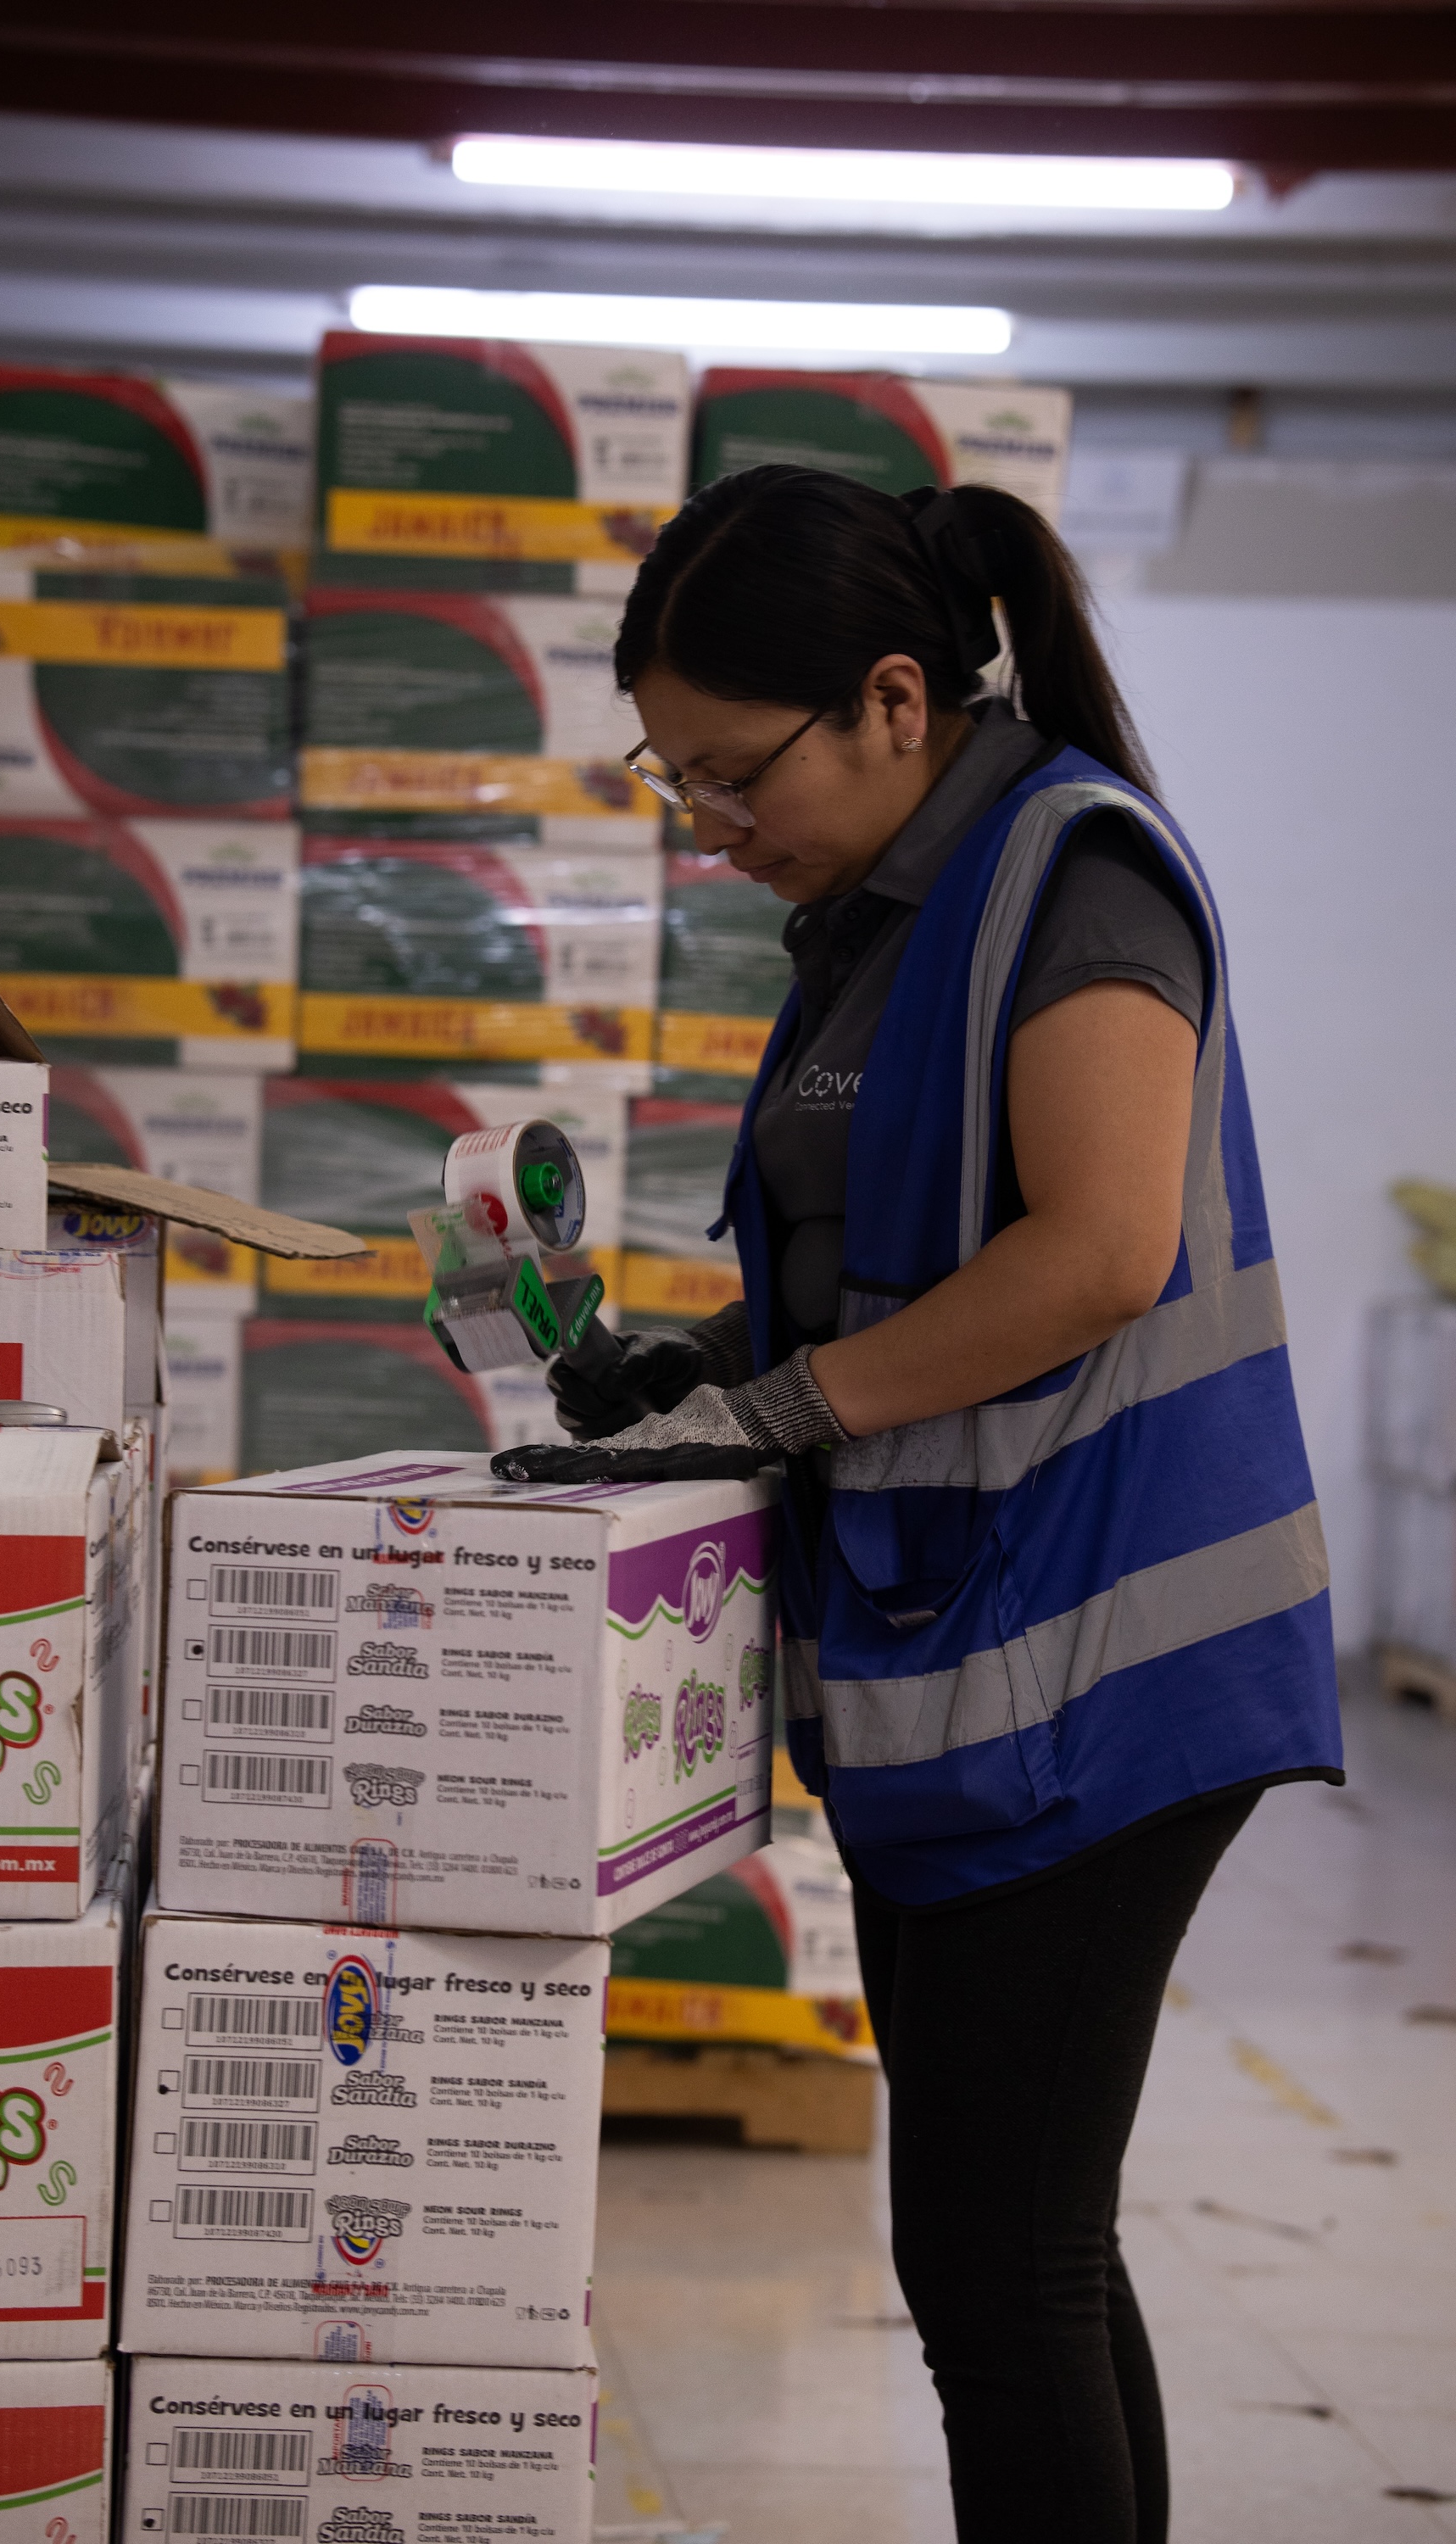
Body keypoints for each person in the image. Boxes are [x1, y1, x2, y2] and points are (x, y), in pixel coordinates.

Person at [546, 466, 1343, 2544]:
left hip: (1104, 1669)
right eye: (675, 779)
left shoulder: (1072, 874)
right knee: (1024, 2256)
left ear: (894, 700)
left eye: (733, 774)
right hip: (972, 1659)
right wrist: (704, 1364)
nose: (709, 823)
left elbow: (1096, 1251)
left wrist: (780, 1407)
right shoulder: (884, 915)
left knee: (994, 2271)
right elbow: (895, 1266)